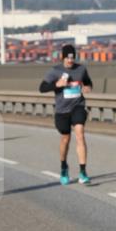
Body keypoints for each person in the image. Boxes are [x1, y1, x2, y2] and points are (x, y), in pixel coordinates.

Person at [39, 44, 93, 184]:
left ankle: (83, 172)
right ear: (63, 57)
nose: (70, 60)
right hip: (62, 111)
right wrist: (56, 85)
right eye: (68, 58)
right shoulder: (55, 71)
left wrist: (87, 87)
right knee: (65, 139)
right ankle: (64, 167)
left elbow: (87, 82)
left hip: (78, 106)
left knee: (80, 133)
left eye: (72, 58)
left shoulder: (81, 69)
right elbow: (42, 88)